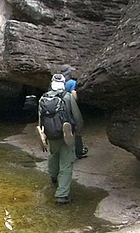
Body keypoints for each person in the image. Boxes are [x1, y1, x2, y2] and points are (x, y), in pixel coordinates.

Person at [39, 74, 84, 205]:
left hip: (50, 134)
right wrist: (79, 132)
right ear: (63, 84)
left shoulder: (43, 98)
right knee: (66, 163)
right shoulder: (68, 97)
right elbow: (77, 116)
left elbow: (40, 118)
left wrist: (43, 135)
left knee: (53, 154)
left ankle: (53, 176)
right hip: (67, 135)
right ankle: (62, 195)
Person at [60, 64, 88, 159]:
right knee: (76, 127)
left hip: (60, 109)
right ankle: (79, 151)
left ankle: (64, 151)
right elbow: (74, 95)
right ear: (68, 72)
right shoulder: (71, 82)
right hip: (70, 106)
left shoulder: (59, 83)